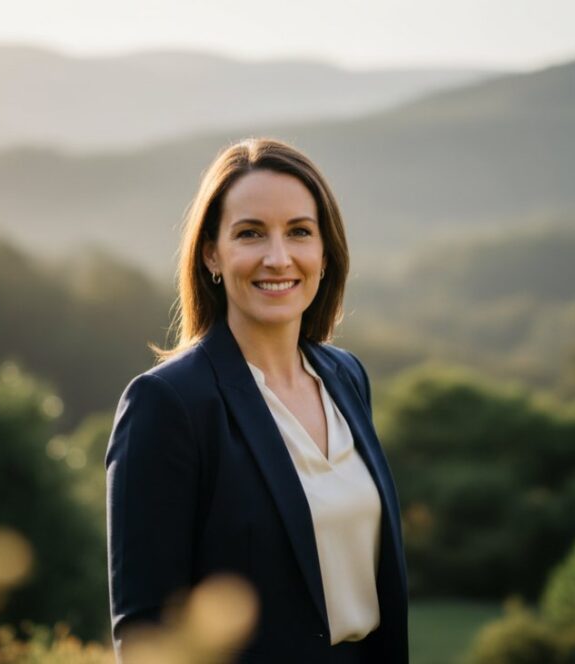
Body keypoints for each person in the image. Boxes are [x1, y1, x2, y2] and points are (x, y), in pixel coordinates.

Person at [106, 138, 408, 663]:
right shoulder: (167, 404)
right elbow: (146, 636)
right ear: (211, 254)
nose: (278, 257)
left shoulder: (347, 377)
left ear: (324, 250)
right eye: (250, 234)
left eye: (299, 232)